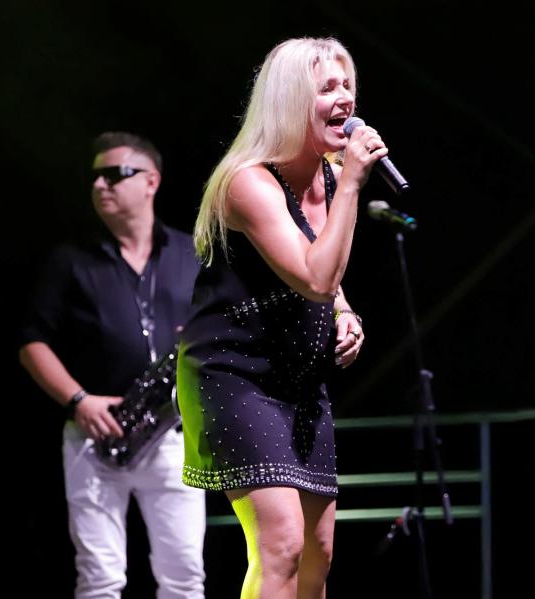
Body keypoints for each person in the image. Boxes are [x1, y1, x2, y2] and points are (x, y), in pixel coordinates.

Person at [177, 37, 383, 598]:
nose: (345, 98)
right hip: (235, 375)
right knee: (282, 545)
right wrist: (353, 183)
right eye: (327, 88)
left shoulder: (331, 177)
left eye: (347, 85)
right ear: (290, 100)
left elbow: (324, 272)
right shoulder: (247, 182)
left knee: (318, 554)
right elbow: (314, 277)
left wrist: (344, 310)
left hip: (299, 379)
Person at [19, 132, 206, 598]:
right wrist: (79, 400)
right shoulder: (70, 260)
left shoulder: (191, 253)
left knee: (185, 578)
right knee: (99, 579)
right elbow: (31, 342)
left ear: (151, 182)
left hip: (173, 434)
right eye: (95, 177)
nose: (99, 185)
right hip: (94, 434)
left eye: (114, 174)